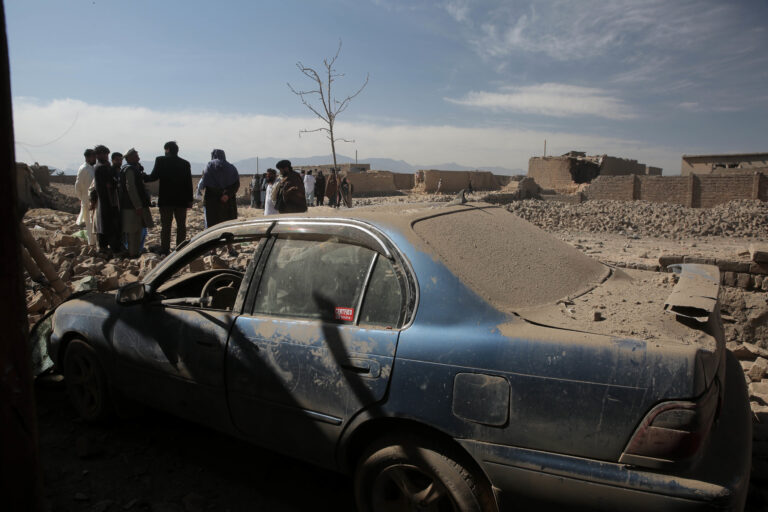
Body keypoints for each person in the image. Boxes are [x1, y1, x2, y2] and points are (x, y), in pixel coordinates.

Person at [144, 141, 193, 255]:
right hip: (181, 201)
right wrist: (190, 200)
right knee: (181, 226)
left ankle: (165, 249)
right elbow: (188, 183)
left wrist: (142, 176)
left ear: (167, 150)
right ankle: (180, 249)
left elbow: (153, 177)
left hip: (166, 200)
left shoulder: (160, 160)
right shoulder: (185, 163)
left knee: (166, 226)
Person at [119, 148, 154, 258]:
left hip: (133, 205)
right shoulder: (129, 170)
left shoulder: (132, 169)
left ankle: (135, 252)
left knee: (138, 229)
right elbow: (131, 188)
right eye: (136, 156)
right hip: (131, 207)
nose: (138, 158)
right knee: (133, 231)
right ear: (129, 158)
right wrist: (137, 205)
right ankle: (132, 253)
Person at [91, 144, 122, 255]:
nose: (106, 156)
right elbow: (108, 185)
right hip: (107, 201)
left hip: (107, 201)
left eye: (106, 154)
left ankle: (105, 248)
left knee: (104, 225)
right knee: (109, 226)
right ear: (98, 155)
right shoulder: (101, 168)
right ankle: (113, 250)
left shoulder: (103, 167)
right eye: (103, 154)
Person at [200, 149, 239, 228]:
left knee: (213, 229)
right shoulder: (232, 168)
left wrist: (219, 193)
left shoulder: (209, 166)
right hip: (228, 203)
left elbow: (207, 183)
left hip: (213, 203)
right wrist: (227, 195)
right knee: (228, 227)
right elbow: (236, 184)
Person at [75, 148, 96, 245]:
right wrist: (82, 199)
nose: (95, 158)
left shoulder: (92, 168)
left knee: (94, 222)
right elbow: (78, 186)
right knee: (90, 223)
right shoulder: (84, 169)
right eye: (93, 156)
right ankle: (91, 243)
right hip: (87, 200)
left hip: (93, 199)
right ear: (88, 157)